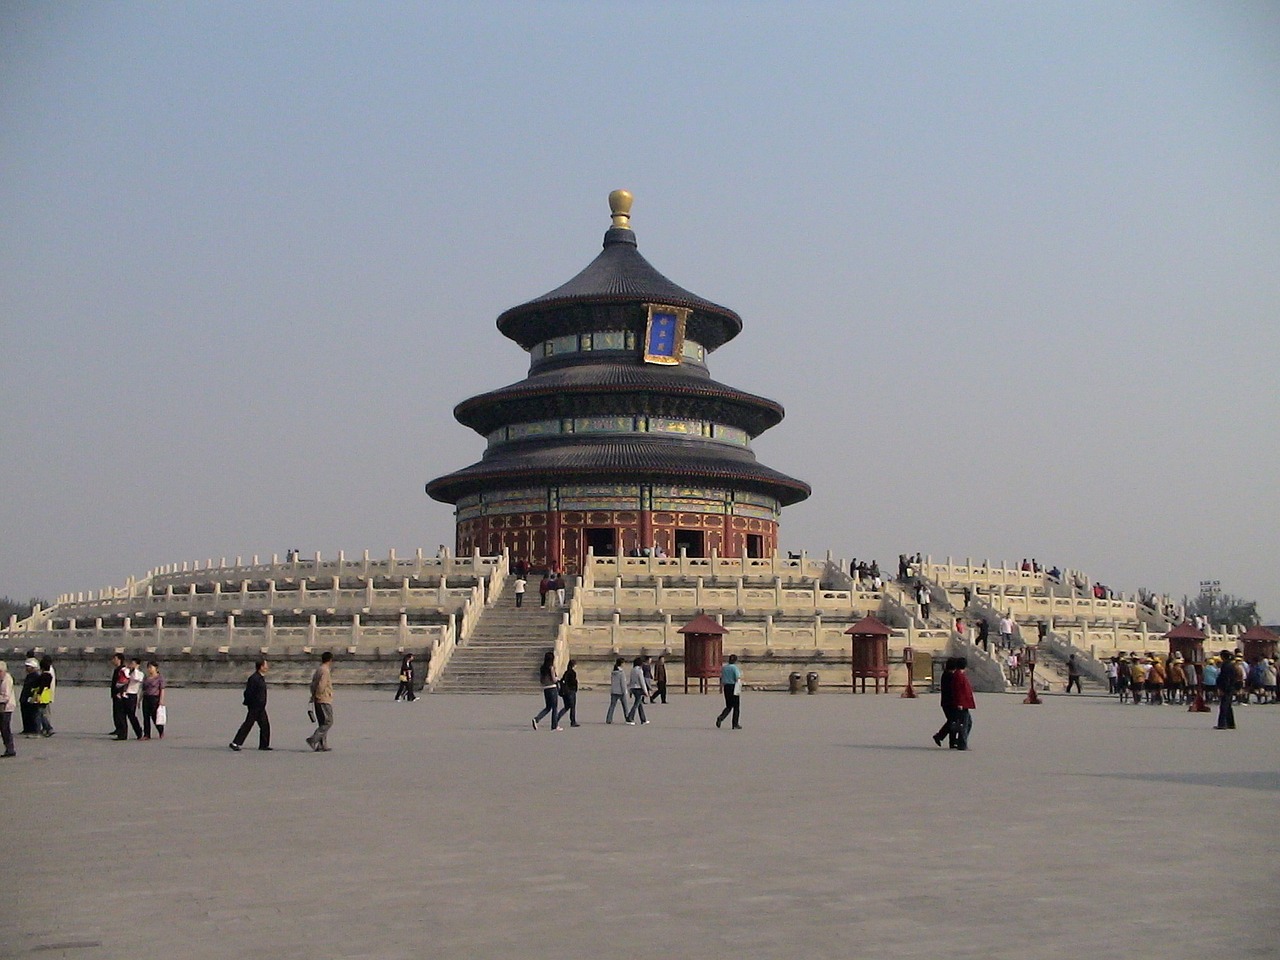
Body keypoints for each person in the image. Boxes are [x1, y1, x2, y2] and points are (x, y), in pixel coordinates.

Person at [229, 659, 271, 751]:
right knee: (248, 724)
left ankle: (264, 745)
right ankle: (235, 743)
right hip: (255, 706)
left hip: (260, 707)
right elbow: (248, 692)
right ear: (261, 666)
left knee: (265, 725)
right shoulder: (254, 678)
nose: (267, 667)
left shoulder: (260, 677)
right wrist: (250, 704)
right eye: (266, 665)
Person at [306, 651, 335, 751]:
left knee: (322, 722)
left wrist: (313, 695)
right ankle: (313, 739)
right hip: (324, 699)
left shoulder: (318, 669)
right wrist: (319, 695)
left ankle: (322, 745)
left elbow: (313, 684)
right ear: (330, 660)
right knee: (328, 721)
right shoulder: (325, 670)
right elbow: (321, 685)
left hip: (317, 699)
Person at [531, 651, 562, 730]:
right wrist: (558, 679)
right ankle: (554, 726)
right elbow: (554, 679)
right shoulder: (551, 667)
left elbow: (542, 679)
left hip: (546, 688)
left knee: (548, 707)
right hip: (552, 688)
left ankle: (537, 719)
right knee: (554, 708)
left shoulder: (542, 667)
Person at [950, 657, 976, 749]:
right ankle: (962, 743)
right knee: (965, 724)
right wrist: (959, 703)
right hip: (962, 703)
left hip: (964, 702)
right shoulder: (958, 675)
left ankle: (961, 741)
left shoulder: (959, 674)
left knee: (967, 723)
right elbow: (958, 691)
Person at [932, 658, 959, 747]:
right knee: (953, 721)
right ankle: (940, 736)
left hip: (946, 702)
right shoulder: (950, 676)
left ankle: (952, 741)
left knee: (952, 721)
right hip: (950, 702)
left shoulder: (946, 674)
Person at [715, 654, 742, 729]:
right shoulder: (734, 668)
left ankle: (721, 717)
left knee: (729, 706)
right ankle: (735, 723)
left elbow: (721, 677)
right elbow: (737, 678)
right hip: (733, 687)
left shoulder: (724, 668)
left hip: (726, 687)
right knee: (736, 707)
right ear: (735, 661)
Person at [1214, 650, 1240, 730]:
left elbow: (1225, 678)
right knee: (1228, 706)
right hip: (1231, 687)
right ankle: (1231, 723)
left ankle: (1222, 724)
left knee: (1224, 706)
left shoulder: (1226, 666)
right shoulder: (1231, 665)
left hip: (1226, 688)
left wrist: (1222, 689)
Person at [141, 660, 166, 740]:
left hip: (154, 698)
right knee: (146, 716)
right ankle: (147, 734)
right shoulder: (146, 678)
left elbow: (162, 689)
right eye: (148, 667)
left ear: (156, 668)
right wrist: (139, 699)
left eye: (151, 667)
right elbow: (143, 689)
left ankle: (160, 731)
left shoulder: (159, 678)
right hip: (146, 697)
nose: (149, 669)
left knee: (155, 716)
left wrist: (161, 700)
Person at [122, 656, 145, 739]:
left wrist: (134, 669)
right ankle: (123, 733)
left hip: (132, 695)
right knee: (122, 715)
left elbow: (136, 679)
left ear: (137, 665)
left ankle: (139, 732)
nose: (131, 665)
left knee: (131, 715)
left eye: (133, 664)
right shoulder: (127, 671)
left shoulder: (140, 674)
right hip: (124, 694)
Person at [32, 659, 55, 738]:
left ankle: (44, 729)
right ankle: (47, 728)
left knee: (39, 714)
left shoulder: (43, 676)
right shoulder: (50, 676)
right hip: (47, 695)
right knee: (43, 713)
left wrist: (37, 695)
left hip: (41, 695)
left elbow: (41, 686)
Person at [625, 656, 650, 725]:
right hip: (638, 688)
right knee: (636, 704)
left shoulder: (632, 670)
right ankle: (629, 718)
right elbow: (642, 681)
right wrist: (646, 691)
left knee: (639, 704)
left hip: (633, 688)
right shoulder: (639, 670)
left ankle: (643, 719)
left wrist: (630, 689)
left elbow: (631, 680)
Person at [110, 652, 130, 740]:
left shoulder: (122, 670)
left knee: (120, 714)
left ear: (119, 660)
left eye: (114, 659)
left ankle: (122, 734)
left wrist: (119, 692)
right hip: (116, 694)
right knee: (116, 713)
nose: (113, 661)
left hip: (120, 695)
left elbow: (124, 682)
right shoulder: (118, 669)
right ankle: (118, 729)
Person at [19, 658, 40, 736]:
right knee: (25, 715)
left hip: (30, 698)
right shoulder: (29, 676)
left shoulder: (36, 676)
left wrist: (32, 697)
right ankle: (26, 729)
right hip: (24, 698)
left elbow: (35, 688)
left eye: (28, 666)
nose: (26, 668)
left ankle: (33, 730)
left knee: (31, 715)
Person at [605, 657, 628, 724]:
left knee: (612, 706)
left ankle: (609, 719)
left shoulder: (613, 672)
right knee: (625, 706)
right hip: (620, 691)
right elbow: (623, 683)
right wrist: (625, 691)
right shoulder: (621, 672)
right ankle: (627, 718)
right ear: (621, 664)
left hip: (614, 691)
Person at [0, 661, 16, 757]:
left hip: (6, 708)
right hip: (2, 706)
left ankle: (10, 749)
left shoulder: (7, 680)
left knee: (5, 728)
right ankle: (9, 748)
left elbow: (6, 696)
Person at [559, 658, 580, 727]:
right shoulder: (572, 673)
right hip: (571, 691)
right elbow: (573, 682)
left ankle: (557, 717)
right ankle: (573, 721)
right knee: (572, 707)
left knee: (567, 706)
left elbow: (562, 680)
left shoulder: (566, 672)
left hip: (565, 691)